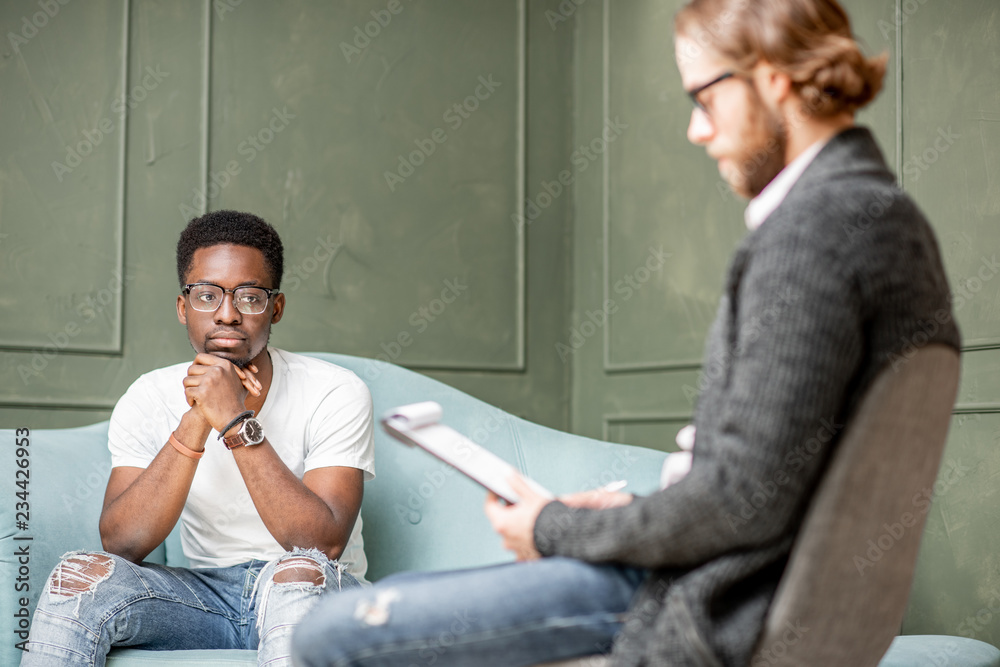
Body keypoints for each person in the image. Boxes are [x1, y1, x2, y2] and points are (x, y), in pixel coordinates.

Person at [292, 0, 961, 666]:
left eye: (703, 97)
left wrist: (558, 528)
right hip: (745, 586)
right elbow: (773, 476)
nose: (696, 130)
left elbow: (742, 503)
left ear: (771, 81)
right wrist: (618, 517)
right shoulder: (886, 220)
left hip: (707, 599)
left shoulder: (811, 236)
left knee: (331, 631)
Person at [21, 211, 375, 667]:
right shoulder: (148, 395)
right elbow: (123, 543)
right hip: (205, 598)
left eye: (249, 297)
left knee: (296, 575)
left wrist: (233, 421)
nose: (227, 314)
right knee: (79, 576)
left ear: (276, 308)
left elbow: (319, 545)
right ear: (183, 308)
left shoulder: (336, 390)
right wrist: (198, 419)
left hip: (314, 587)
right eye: (207, 296)